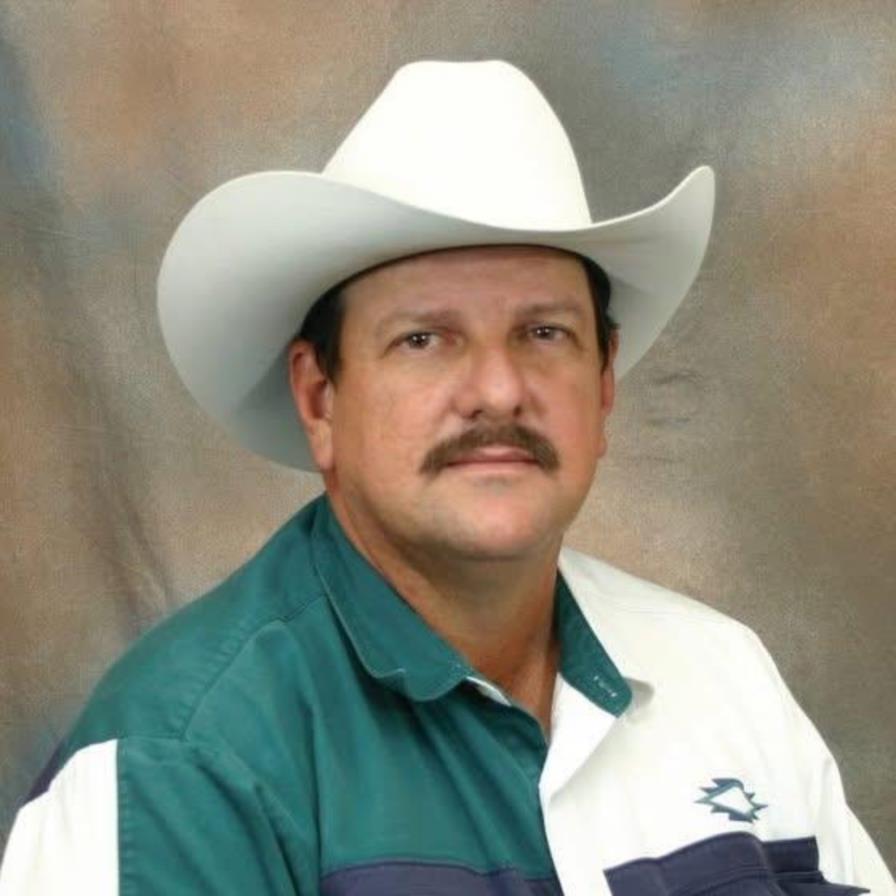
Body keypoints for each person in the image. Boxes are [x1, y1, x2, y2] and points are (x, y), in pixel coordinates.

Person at [1, 60, 892, 896]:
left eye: (544, 333)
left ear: (604, 383)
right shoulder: (180, 764)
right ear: (319, 397)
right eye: (424, 339)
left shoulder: (723, 678)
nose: (498, 390)